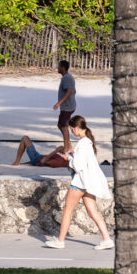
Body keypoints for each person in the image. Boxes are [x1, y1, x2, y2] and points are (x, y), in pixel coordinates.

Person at [44, 115, 113, 250]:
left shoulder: (82, 143)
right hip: (88, 183)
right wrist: (72, 156)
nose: (71, 131)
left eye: (71, 129)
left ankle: (60, 241)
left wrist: (68, 159)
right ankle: (107, 239)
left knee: (67, 210)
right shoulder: (88, 142)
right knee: (92, 212)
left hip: (80, 183)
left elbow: (78, 166)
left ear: (76, 128)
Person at [54, 60, 76, 153]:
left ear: (63, 68)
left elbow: (69, 91)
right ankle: (69, 145)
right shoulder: (68, 77)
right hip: (66, 106)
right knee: (60, 125)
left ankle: (67, 148)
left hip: (67, 107)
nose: (58, 68)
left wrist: (59, 103)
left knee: (64, 126)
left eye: (59, 66)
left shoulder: (66, 78)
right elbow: (74, 91)